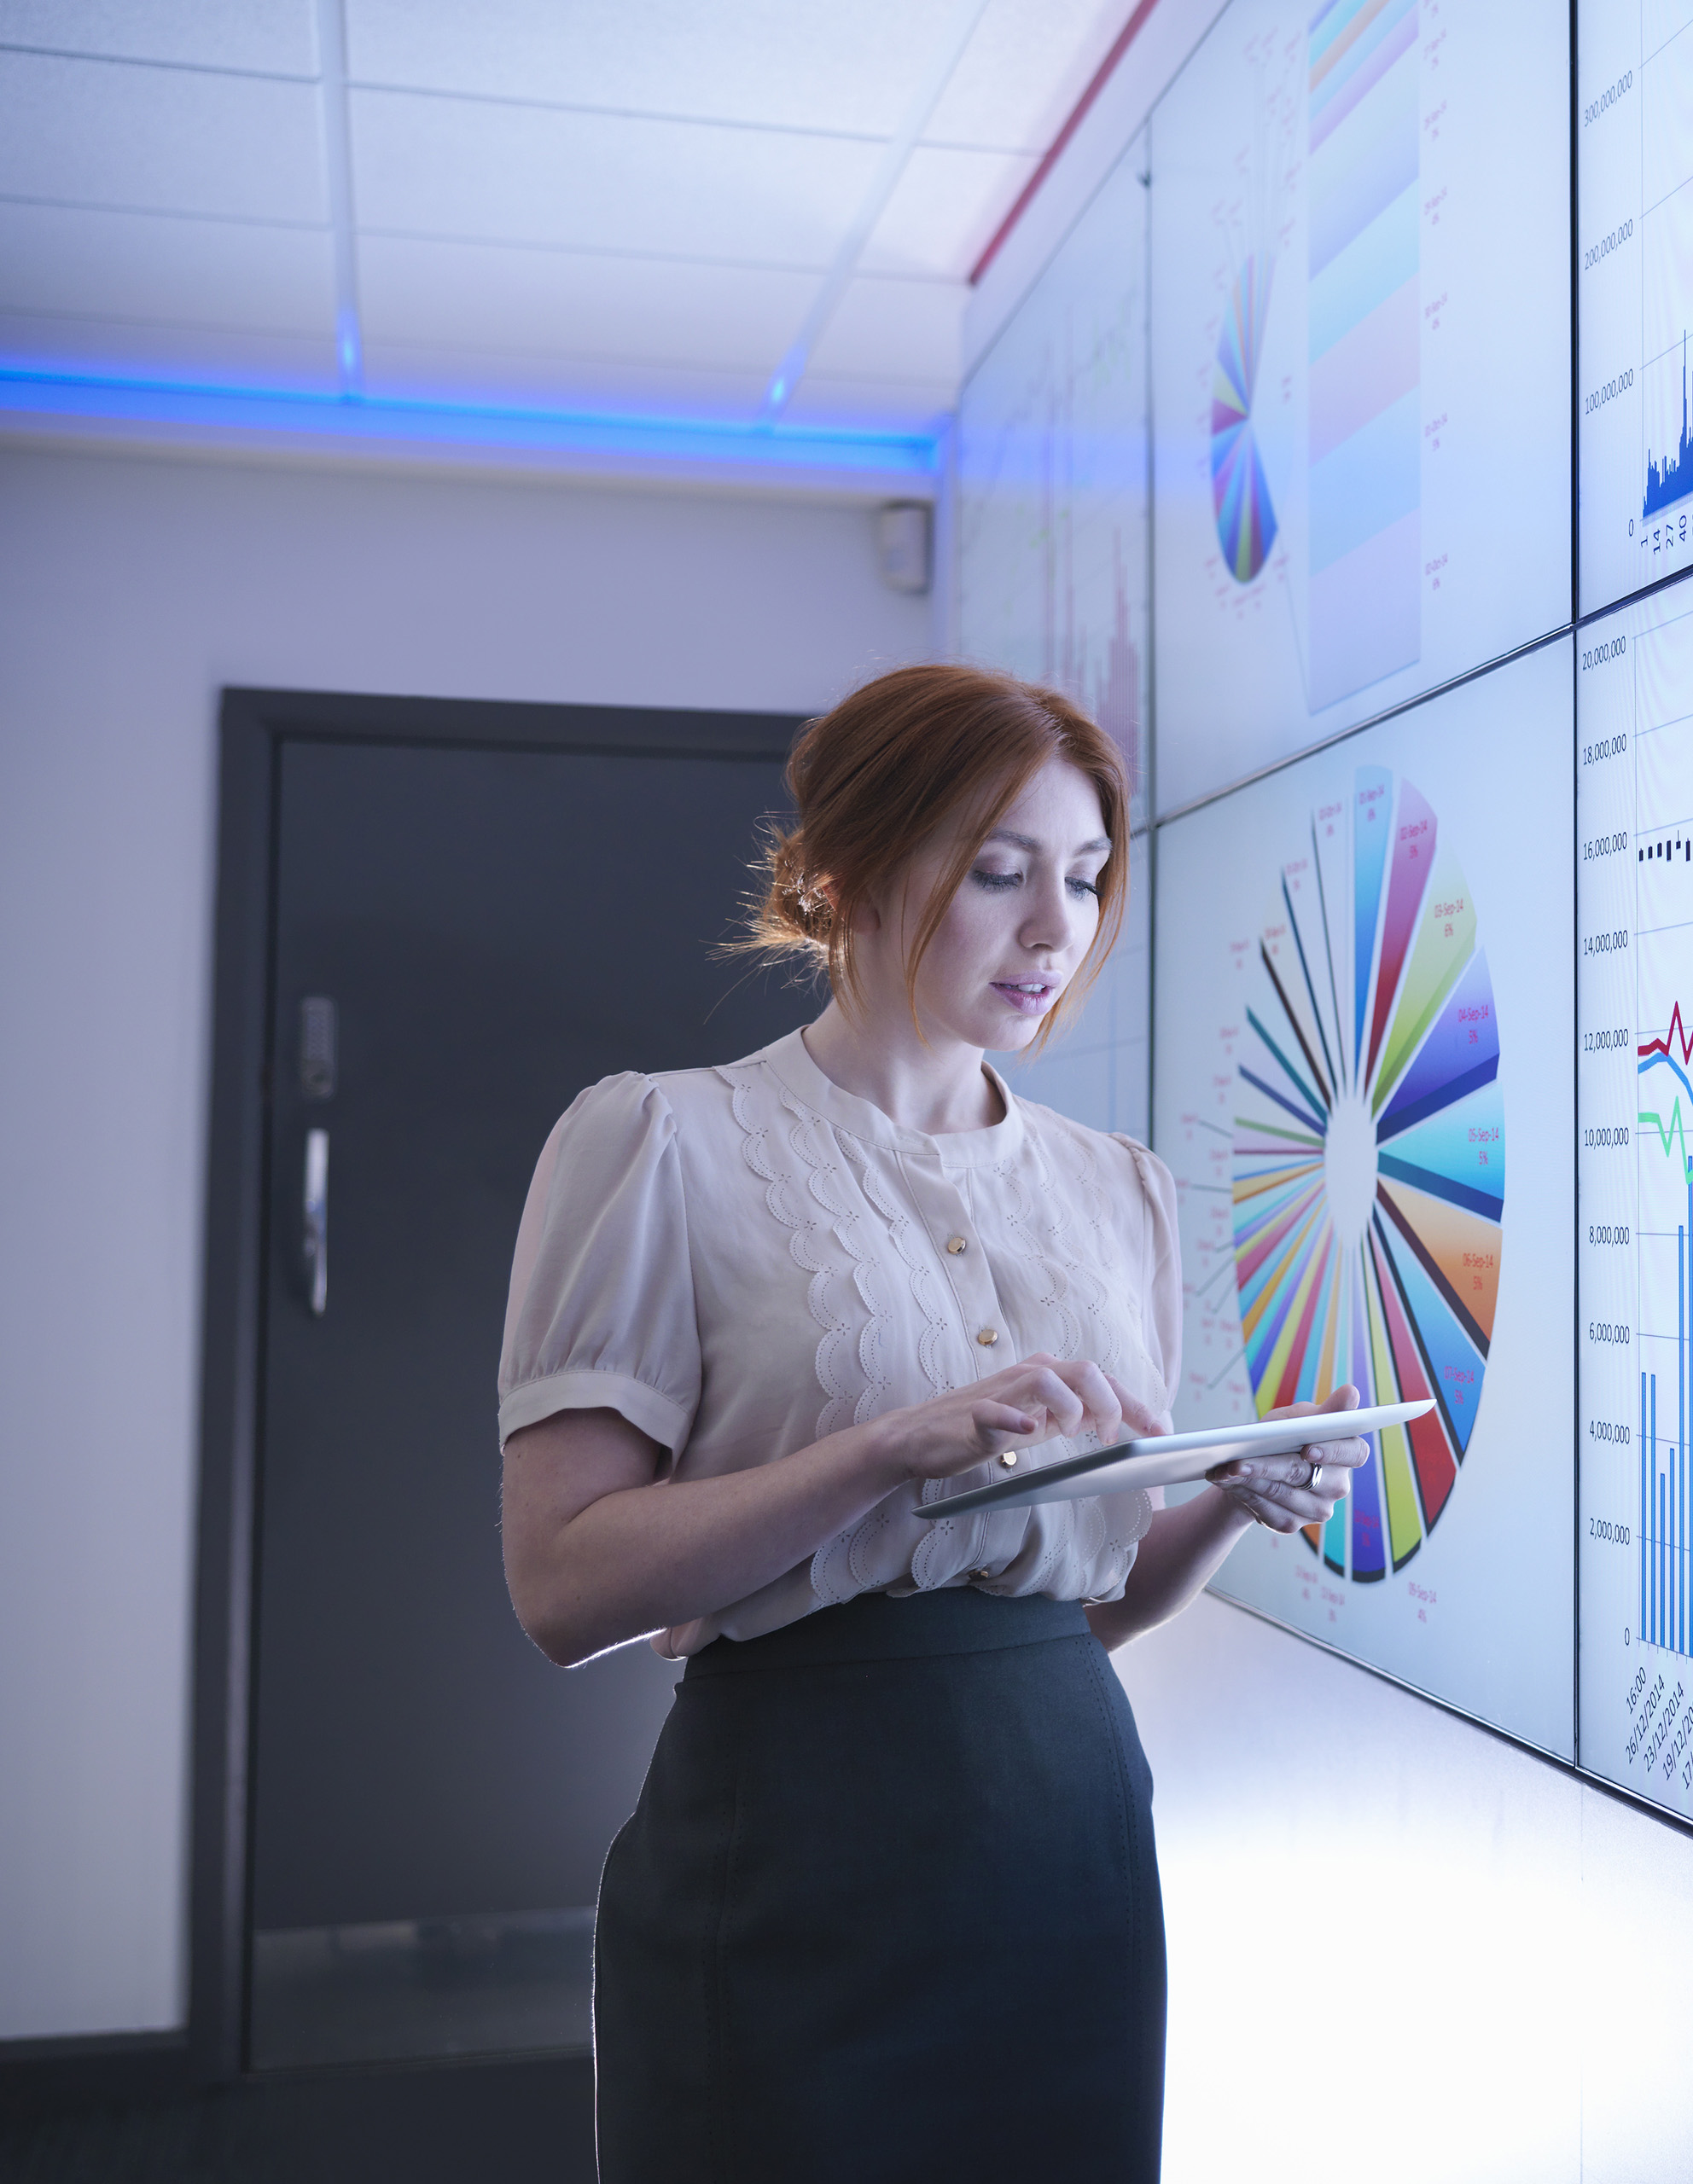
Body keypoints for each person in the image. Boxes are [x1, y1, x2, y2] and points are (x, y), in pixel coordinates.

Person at [495, 662, 1360, 2181]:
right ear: (844, 875)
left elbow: (1090, 1608)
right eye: (999, 871)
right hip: (794, 1845)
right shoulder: (664, 1141)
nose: (1055, 930)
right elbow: (562, 1587)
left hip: (1070, 1840)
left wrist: (1226, 1492)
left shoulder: (1119, 1191)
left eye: (1086, 880)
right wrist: (884, 1450)